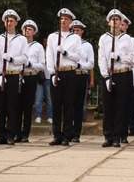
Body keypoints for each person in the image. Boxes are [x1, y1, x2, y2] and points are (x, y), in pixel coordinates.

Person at [98, 9, 134, 147]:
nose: (115, 21)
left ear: (121, 22)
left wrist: (120, 57)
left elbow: (133, 59)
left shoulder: (128, 39)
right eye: (112, 19)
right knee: (108, 106)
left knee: (121, 106)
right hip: (110, 73)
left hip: (123, 73)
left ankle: (117, 136)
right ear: (109, 22)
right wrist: (106, 76)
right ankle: (108, 135)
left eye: (117, 19)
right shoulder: (104, 38)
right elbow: (101, 58)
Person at [46, 8, 81, 146]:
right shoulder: (52, 37)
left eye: (66, 19)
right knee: (56, 105)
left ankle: (67, 135)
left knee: (68, 105)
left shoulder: (75, 38)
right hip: (57, 72)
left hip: (70, 72)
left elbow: (78, 57)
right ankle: (56, 135)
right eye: (61, 19)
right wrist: (52, 73)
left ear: (71, 22)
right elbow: (49, 55)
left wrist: (65, 52)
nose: (63, 21)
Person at [0, 9, 28, 145]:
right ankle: (1, 134)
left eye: (12, 21)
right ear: (4, 23)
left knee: (13, 106)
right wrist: (0, 73)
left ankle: (11, 134)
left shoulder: (22, 39)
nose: (9, 23)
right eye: (7, 21)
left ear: (16, 23)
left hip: (14, 75)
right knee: (0, 106)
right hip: (2, 75)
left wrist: (12, 59)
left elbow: (24, 58)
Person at [17, 19, 44, 142]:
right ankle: (15, 132)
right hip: (18, 76)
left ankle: (25, 134)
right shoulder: (17, 44)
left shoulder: (38, 47)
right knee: (16, 106)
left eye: (29, 29)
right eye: (25, 29)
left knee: (27, 107)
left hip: (30, 76)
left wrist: (29, 64)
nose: (27, 31)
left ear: (34, 32)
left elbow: (42, 65)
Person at [71, 19, 94, 143]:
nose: (75, 32)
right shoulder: (67, 44)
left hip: (81, 75)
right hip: (69, 76)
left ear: (82, 32)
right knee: (68, 104)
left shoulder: (87, 46)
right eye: (73, 30)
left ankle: (76, 133)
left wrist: (80, 66)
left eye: (78, 30)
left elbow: (91, 63)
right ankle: (68, 131)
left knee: (79, 105)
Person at [33, 37, 53, 125]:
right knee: (38, 98)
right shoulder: (39, 50)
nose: (46, 43)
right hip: (40, 77)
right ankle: (38, 116)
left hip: (49, 77)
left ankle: (50, 116)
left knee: (49, 98)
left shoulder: (52, 52)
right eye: (45, 41)